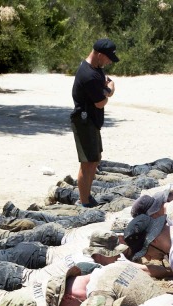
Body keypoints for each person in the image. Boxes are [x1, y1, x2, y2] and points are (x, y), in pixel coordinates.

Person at [72, 38, 118, 208]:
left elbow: (107, 84)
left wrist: (107, 90)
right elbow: (100, 102)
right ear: (99, 54)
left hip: (91, 121)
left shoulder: (96, 69)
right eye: (108, 58)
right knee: (87, 163)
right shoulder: (88, 75)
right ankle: (84, 201)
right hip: (84, 122)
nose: (109, 62)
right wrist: (109, 91)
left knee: (95, 160)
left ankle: (87, 197)